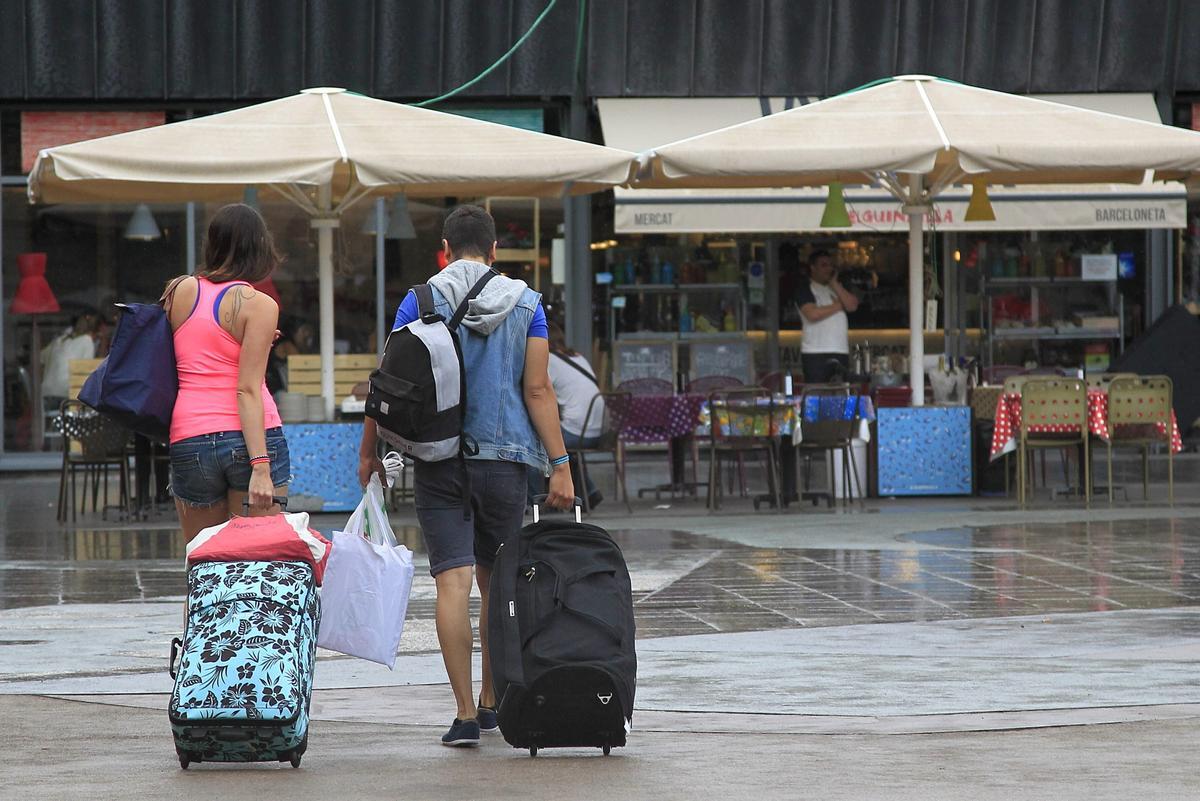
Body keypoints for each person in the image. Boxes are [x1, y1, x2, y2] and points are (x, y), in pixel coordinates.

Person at [358, 205, 574, 749]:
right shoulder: (528, 304)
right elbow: (538, 389)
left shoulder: (420, 299)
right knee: (496, 582)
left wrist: (368, 454)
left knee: (451, 584)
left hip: (437, 459)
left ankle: (462, 716)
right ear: (495, 250)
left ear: (446, 249)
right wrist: (561, 463)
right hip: (505, 462)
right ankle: (491, 701)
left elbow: (390, 384)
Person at [164, 203, 290, 542]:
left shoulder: (180, 291)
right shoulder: (260, 305)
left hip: (189, 436)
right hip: (248, 438)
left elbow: (195, 348)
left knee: (201, 566)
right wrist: (260, 466)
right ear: (259, 246)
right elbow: (246, 389)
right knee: (255, 563)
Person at [526, 320, 603, 508]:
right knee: (560, 447)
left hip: (577, 433)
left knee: (532, 442)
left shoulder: (547, 359)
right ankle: (589, 493)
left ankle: (537, 501)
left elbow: (537, 392)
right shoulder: (578, 357)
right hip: (597, 432)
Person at [794, 249, 859, 383]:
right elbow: (812, 314)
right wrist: (840, 306)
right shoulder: (805, 288)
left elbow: (852, 305)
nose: (828, 269)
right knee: (817, 394)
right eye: (824, 265)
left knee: (841, 394)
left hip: (840, 350)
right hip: (815, 353)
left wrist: (834, 284)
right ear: (813, 268)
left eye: (831, 265)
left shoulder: (837, 289)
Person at [41, 313, 97, 413]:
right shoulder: (87, 341)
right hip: (66, 396)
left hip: (46, 393)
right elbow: (85, 373)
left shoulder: (59, 340)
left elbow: (41, 358)